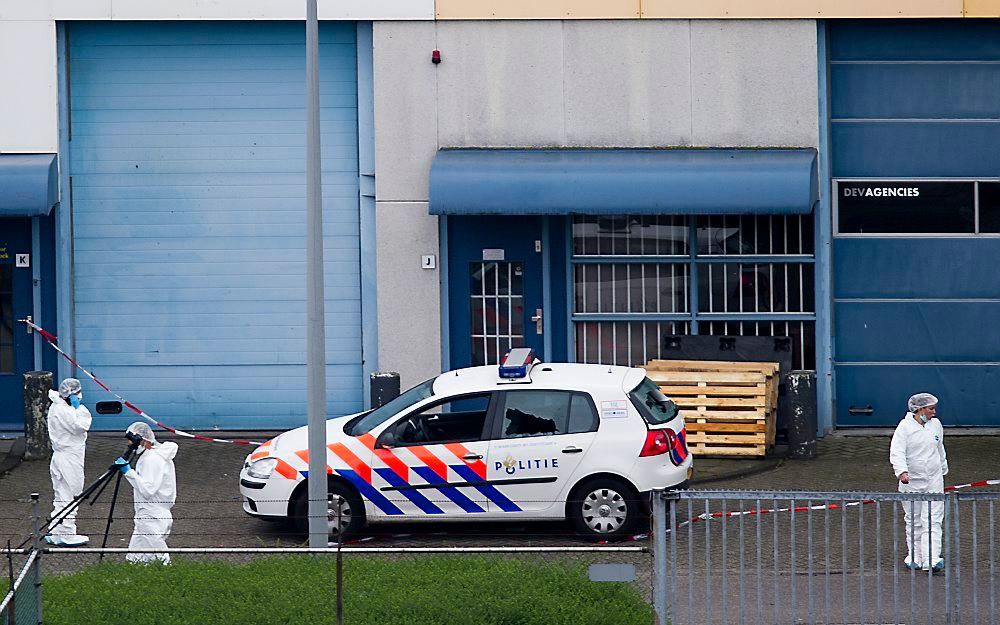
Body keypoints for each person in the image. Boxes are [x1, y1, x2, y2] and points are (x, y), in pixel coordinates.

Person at [889, 392, 948, 572]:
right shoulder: (904, 427)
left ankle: (932, 558)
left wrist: (943, 468)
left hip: (934, 479)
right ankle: (914, 556)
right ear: (920, 409)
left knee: (933, 518)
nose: (934, 412)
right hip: (911, 481)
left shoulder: (935, 425)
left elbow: (940, 449)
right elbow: (897, 451)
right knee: (914, 519)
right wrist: (901, 472)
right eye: (931, 408)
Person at [114, 422, 177, 564]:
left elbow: (148, 490)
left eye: (131, 441)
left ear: (142, 440)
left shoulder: (152, 459)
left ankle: (171, 580)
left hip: (152, 516)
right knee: (135, 557)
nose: (129, 445)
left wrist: (128, 472)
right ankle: (133, 580)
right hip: (148, 515)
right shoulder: (153, 456)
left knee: (160, 558)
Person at [44, 378, 92, 546]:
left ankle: (56, 530)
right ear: (72, 394)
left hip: (61, 456)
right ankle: (67, 533)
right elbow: (80, 426)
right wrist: (79, 408)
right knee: (71, 494)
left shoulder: (57, 406)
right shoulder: (65, 410)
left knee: (61, 493)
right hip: (69, 457)